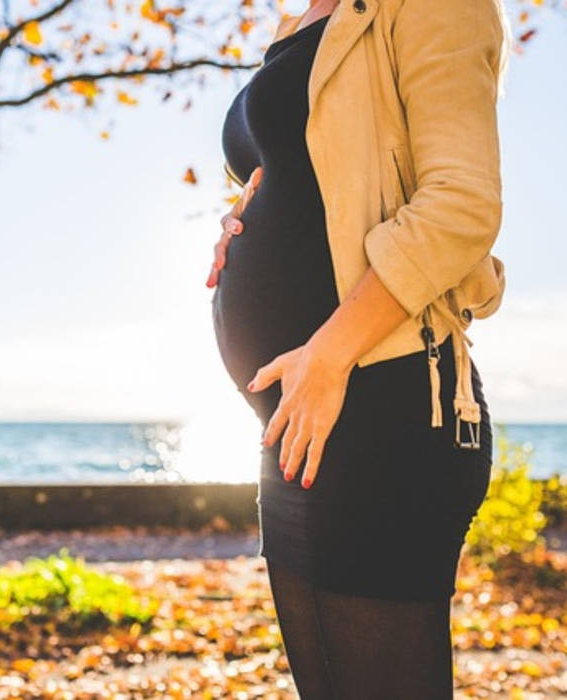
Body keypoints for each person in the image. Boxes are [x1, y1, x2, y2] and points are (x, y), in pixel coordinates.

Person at [206, 0, 511, 697]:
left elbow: (461, 202)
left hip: (386, 403)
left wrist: (329, 354)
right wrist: (241, 218)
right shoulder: (300, 22)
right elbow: (316, 177)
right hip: (295, 424)